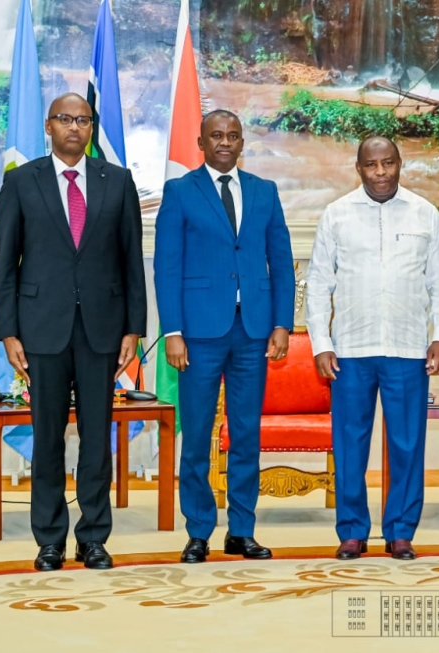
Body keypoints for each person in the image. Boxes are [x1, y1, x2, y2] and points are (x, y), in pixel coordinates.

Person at [0, 93, 146, 571]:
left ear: (92, 126)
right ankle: (50, 539)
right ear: (48, 125)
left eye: (83, 120)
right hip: (41, 330)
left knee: (97, 441)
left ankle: (94, 537)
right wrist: (9, 331)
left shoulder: (117, 182)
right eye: (65, 119)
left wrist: (134, 328)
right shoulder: (21, 182)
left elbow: (131, 261)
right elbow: (7, 265)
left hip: (102, 330)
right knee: (48, 439)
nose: (75, 128)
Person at [307, 136, 439, 561]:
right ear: (358, 168)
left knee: (408, 444)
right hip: (350, 349)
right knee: (350, 442)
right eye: (371, 165)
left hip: (408, 349)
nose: (380, 173)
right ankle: (352, 530)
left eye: (388, 163)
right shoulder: (336, 215)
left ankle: (401, 531)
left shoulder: (425, 214)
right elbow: (319, 285)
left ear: (399, 164)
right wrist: (321, 343)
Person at [154, 110, 295, 564]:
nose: (225, 143)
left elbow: (281, 261)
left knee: (246, 434)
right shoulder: (179, 192)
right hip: (198, 334)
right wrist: (172, 331)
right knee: (196, 434)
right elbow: (166, 266)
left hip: (253, 331)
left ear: (241, 143)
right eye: (216, 135)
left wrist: (281, 324)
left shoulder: (264, 192)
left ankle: (242, 530)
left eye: (233, 136)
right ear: (201, 141)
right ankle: (198, 531)